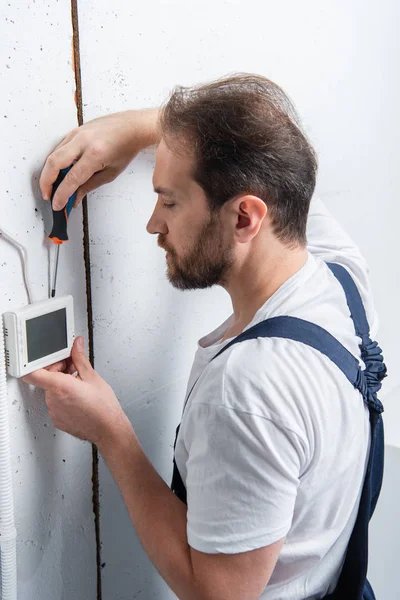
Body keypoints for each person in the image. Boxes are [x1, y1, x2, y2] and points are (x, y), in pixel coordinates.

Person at [25, 74, 386, 599]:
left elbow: (217, 593)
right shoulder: (340, 277)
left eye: (169, 202)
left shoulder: (248, 390)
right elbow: (277, 145)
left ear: (245, 216)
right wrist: (135, 131)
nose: (153, 224)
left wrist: (111, 433)